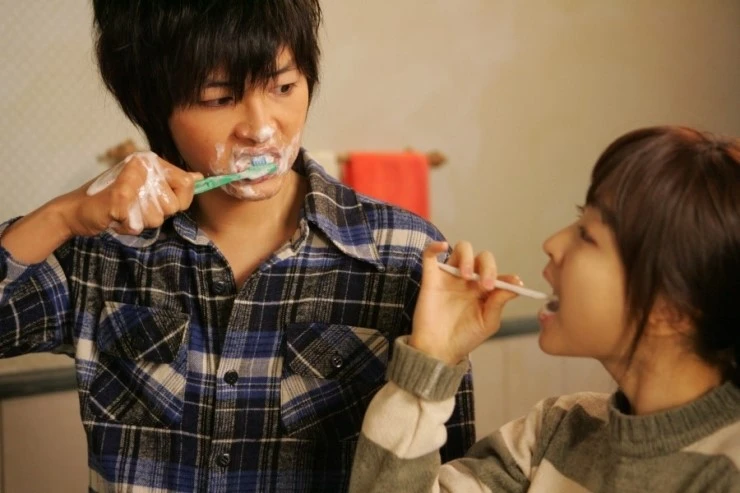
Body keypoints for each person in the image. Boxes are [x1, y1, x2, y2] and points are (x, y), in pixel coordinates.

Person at [0, 1, 475, 491]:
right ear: (150, 104)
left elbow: (447, 473)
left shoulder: (406, 255)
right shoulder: (101, 248)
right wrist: (63, 214)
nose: (261, 127)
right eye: (219, 98)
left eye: (283, 88)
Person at [350, 126, 740, 492]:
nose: (552, 243)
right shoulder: (554, 432)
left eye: (588, 234)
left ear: (672, 310)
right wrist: (430, 359)